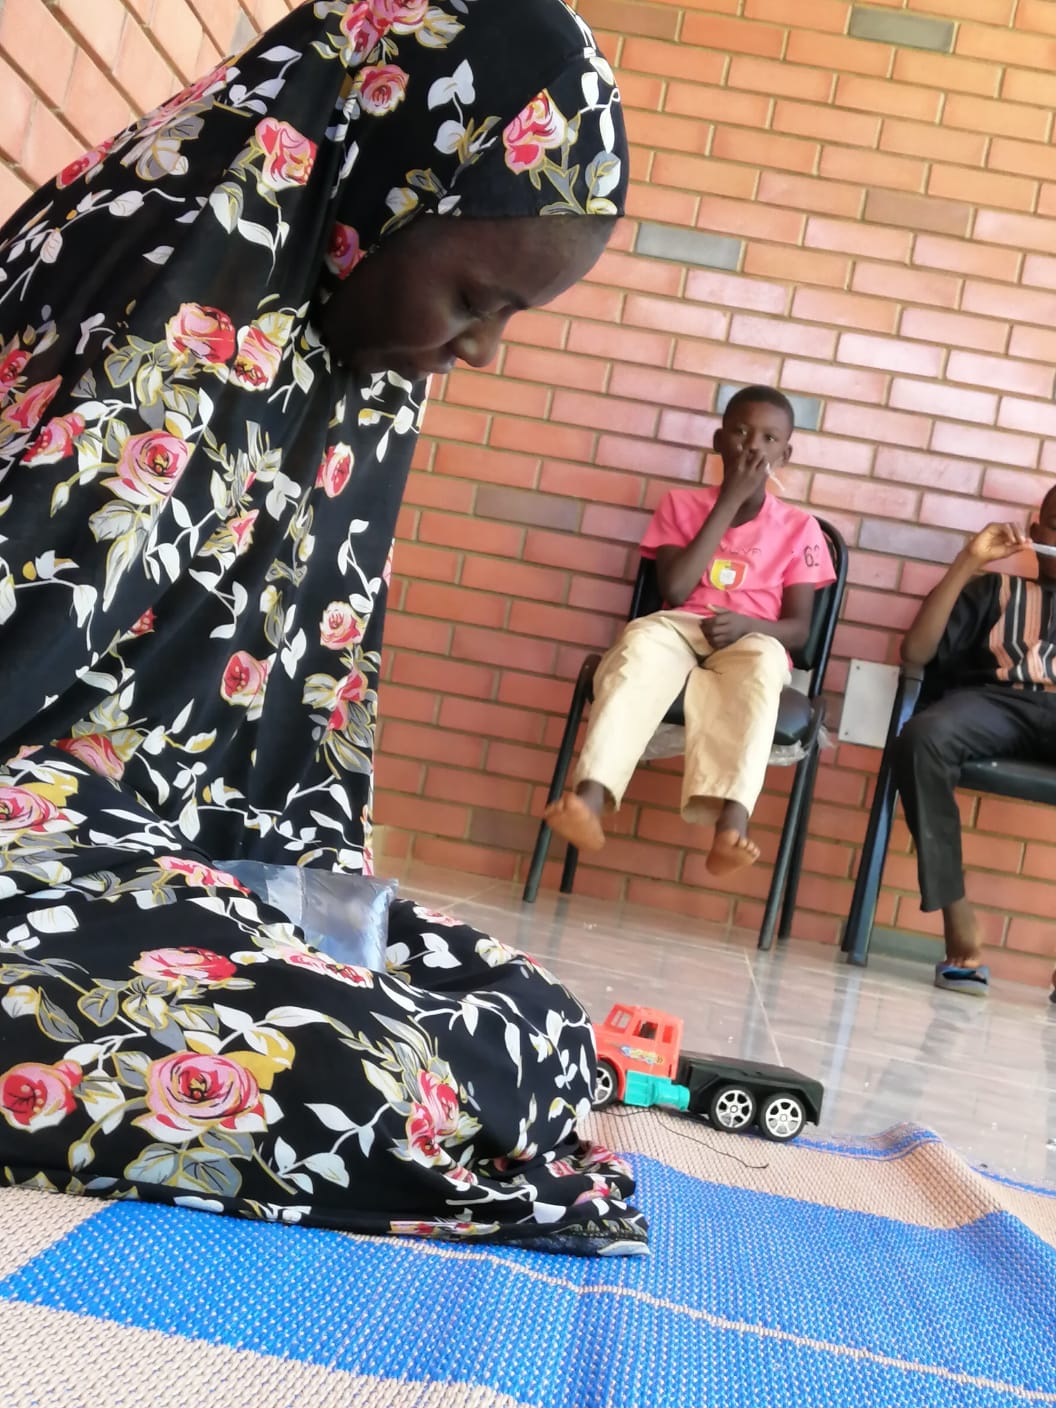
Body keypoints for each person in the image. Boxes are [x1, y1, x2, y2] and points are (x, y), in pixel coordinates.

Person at [0, 0, 645, 1255]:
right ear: (380, 189)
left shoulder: (346, 361)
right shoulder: (154, 272)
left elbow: (285, 750)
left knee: (528, 1018)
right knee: (357, 1075)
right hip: (31, 824)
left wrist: (256, 906)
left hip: (143, 842)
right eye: (476, 297)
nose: (484, 351)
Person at [543, 387, 836, 874]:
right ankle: (590, 799)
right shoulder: (680, 505)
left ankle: (731, 826)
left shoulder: (799, 528)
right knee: (639, 644)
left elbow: (800, 631)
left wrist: (748, 626)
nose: (753, 446)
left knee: (762, 669)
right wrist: (729, 501)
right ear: (719, 442)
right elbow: (676, 589)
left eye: (769, 439)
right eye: (741, 432)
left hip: (752, 639)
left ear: (785, 455)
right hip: (682, 627)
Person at [895, 486, 1056, 998]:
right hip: (995, 703)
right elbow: (915, 653)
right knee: (922, 737)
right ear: (1036, 532)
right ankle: (955, 912)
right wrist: (968, 561)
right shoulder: (993, 590)